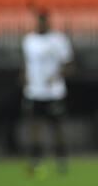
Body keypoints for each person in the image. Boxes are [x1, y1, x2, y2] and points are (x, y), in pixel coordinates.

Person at [21, 10, 73, 175]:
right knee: (34, 126)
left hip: (53, 92)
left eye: (43, 21)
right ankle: (36, 159)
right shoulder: (28, 40)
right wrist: (25, 76)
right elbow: (27, 63)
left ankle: (61, 159)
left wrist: (57, 77)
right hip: (34, 91)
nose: (41, 24)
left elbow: (68, 63)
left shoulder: (58, 40)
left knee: (56, 127)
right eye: (39, 21)